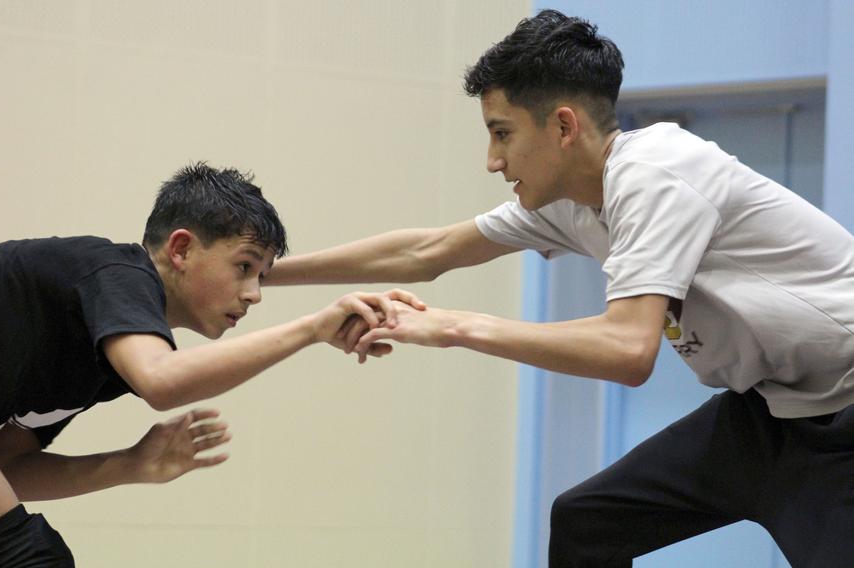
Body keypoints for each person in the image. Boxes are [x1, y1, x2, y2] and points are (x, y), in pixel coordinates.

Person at [264, 9, 854, 566]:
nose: (492, 160)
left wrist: (452, 326)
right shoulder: (572, 202)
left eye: (502, 133)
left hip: (845, 414)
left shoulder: (657, 172)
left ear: (563, 126)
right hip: (772, 411)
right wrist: (262, 272)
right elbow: (427, 251)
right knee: (587, 520)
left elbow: (627, 350)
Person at [0, 162, 417, 567]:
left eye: (262, 276)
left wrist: (129, 464)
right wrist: (312, 329)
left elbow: (3, 468)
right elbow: (163, 382)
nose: (254, 294)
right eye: (244, 267)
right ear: (181, 249)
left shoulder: (102, 346)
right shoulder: (118, 272)